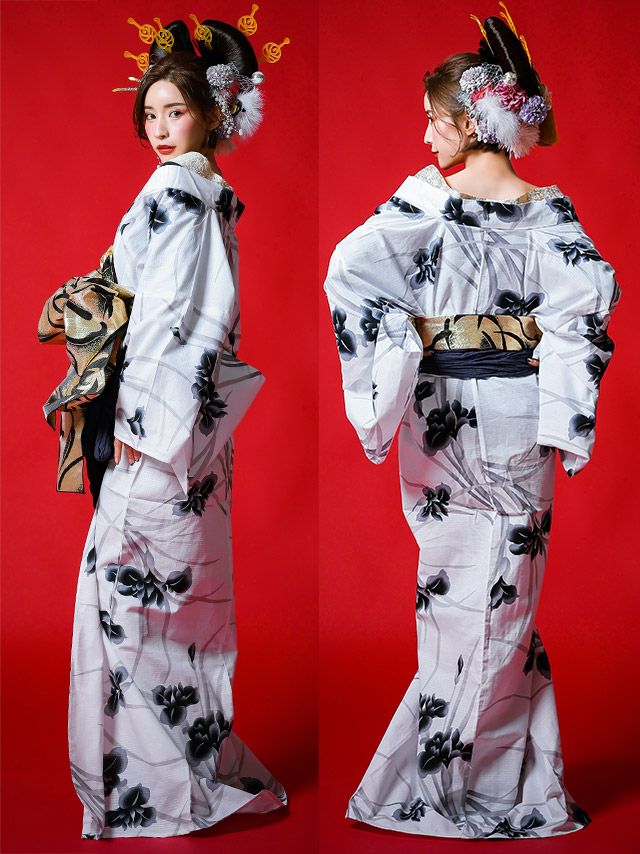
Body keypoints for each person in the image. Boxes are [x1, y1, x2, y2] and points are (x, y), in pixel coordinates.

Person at [323, 6, 620, 841]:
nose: (425, 136)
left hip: (487, 425)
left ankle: (484, 778)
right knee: (464, 600)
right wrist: (409, 345)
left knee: (500, 604)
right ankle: (453, 781)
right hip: (462, 429)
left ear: (472, 121)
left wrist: (411, 346)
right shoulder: (455, 209)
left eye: (433, 119)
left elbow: (583, 313)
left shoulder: (521, 213)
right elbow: (352, 276)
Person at [63, 16, 286, 838]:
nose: (159, 129)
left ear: (213, 114)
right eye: (150, 114)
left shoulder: (177, 193)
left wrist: (137, 419)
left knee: (131, 600)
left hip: (156, 427)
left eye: (176, 112)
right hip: (194, 429)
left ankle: (151, 790)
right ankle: (182, 771)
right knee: (180, 602)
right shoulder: (208, 194)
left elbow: (174, 322)